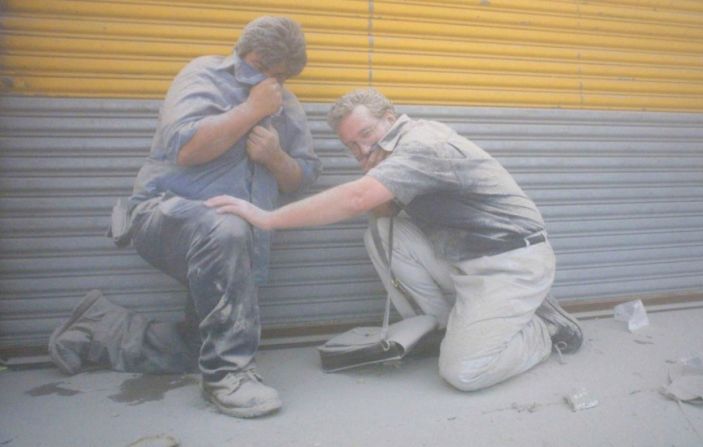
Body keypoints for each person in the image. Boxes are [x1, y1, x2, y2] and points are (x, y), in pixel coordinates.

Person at [206, 88, 582, 392]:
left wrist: (267, 218)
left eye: (366, 135)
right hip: (467, 259)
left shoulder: (423, 145)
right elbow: (381, 214)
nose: (362, 150)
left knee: (464, 373)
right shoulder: (394, 154)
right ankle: (445, 327)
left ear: (390, 119)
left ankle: (544, 327)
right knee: (384, 233)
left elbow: (354, 199)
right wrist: (378, 173)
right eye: (352, 145)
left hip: (510, 262)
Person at [47, 16, 321, 418]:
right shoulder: (203, 75)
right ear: (243, 51)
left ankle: (95, 328)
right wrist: (251, 110)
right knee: (226, 223)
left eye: (278, 76)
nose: (267, 80)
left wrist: (276, 158)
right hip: (162, 216)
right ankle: (229, 376)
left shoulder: (286, 104)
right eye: (261, 68)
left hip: (233, 243)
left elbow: (303, 176)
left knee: (196, 346)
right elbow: (186, 150)